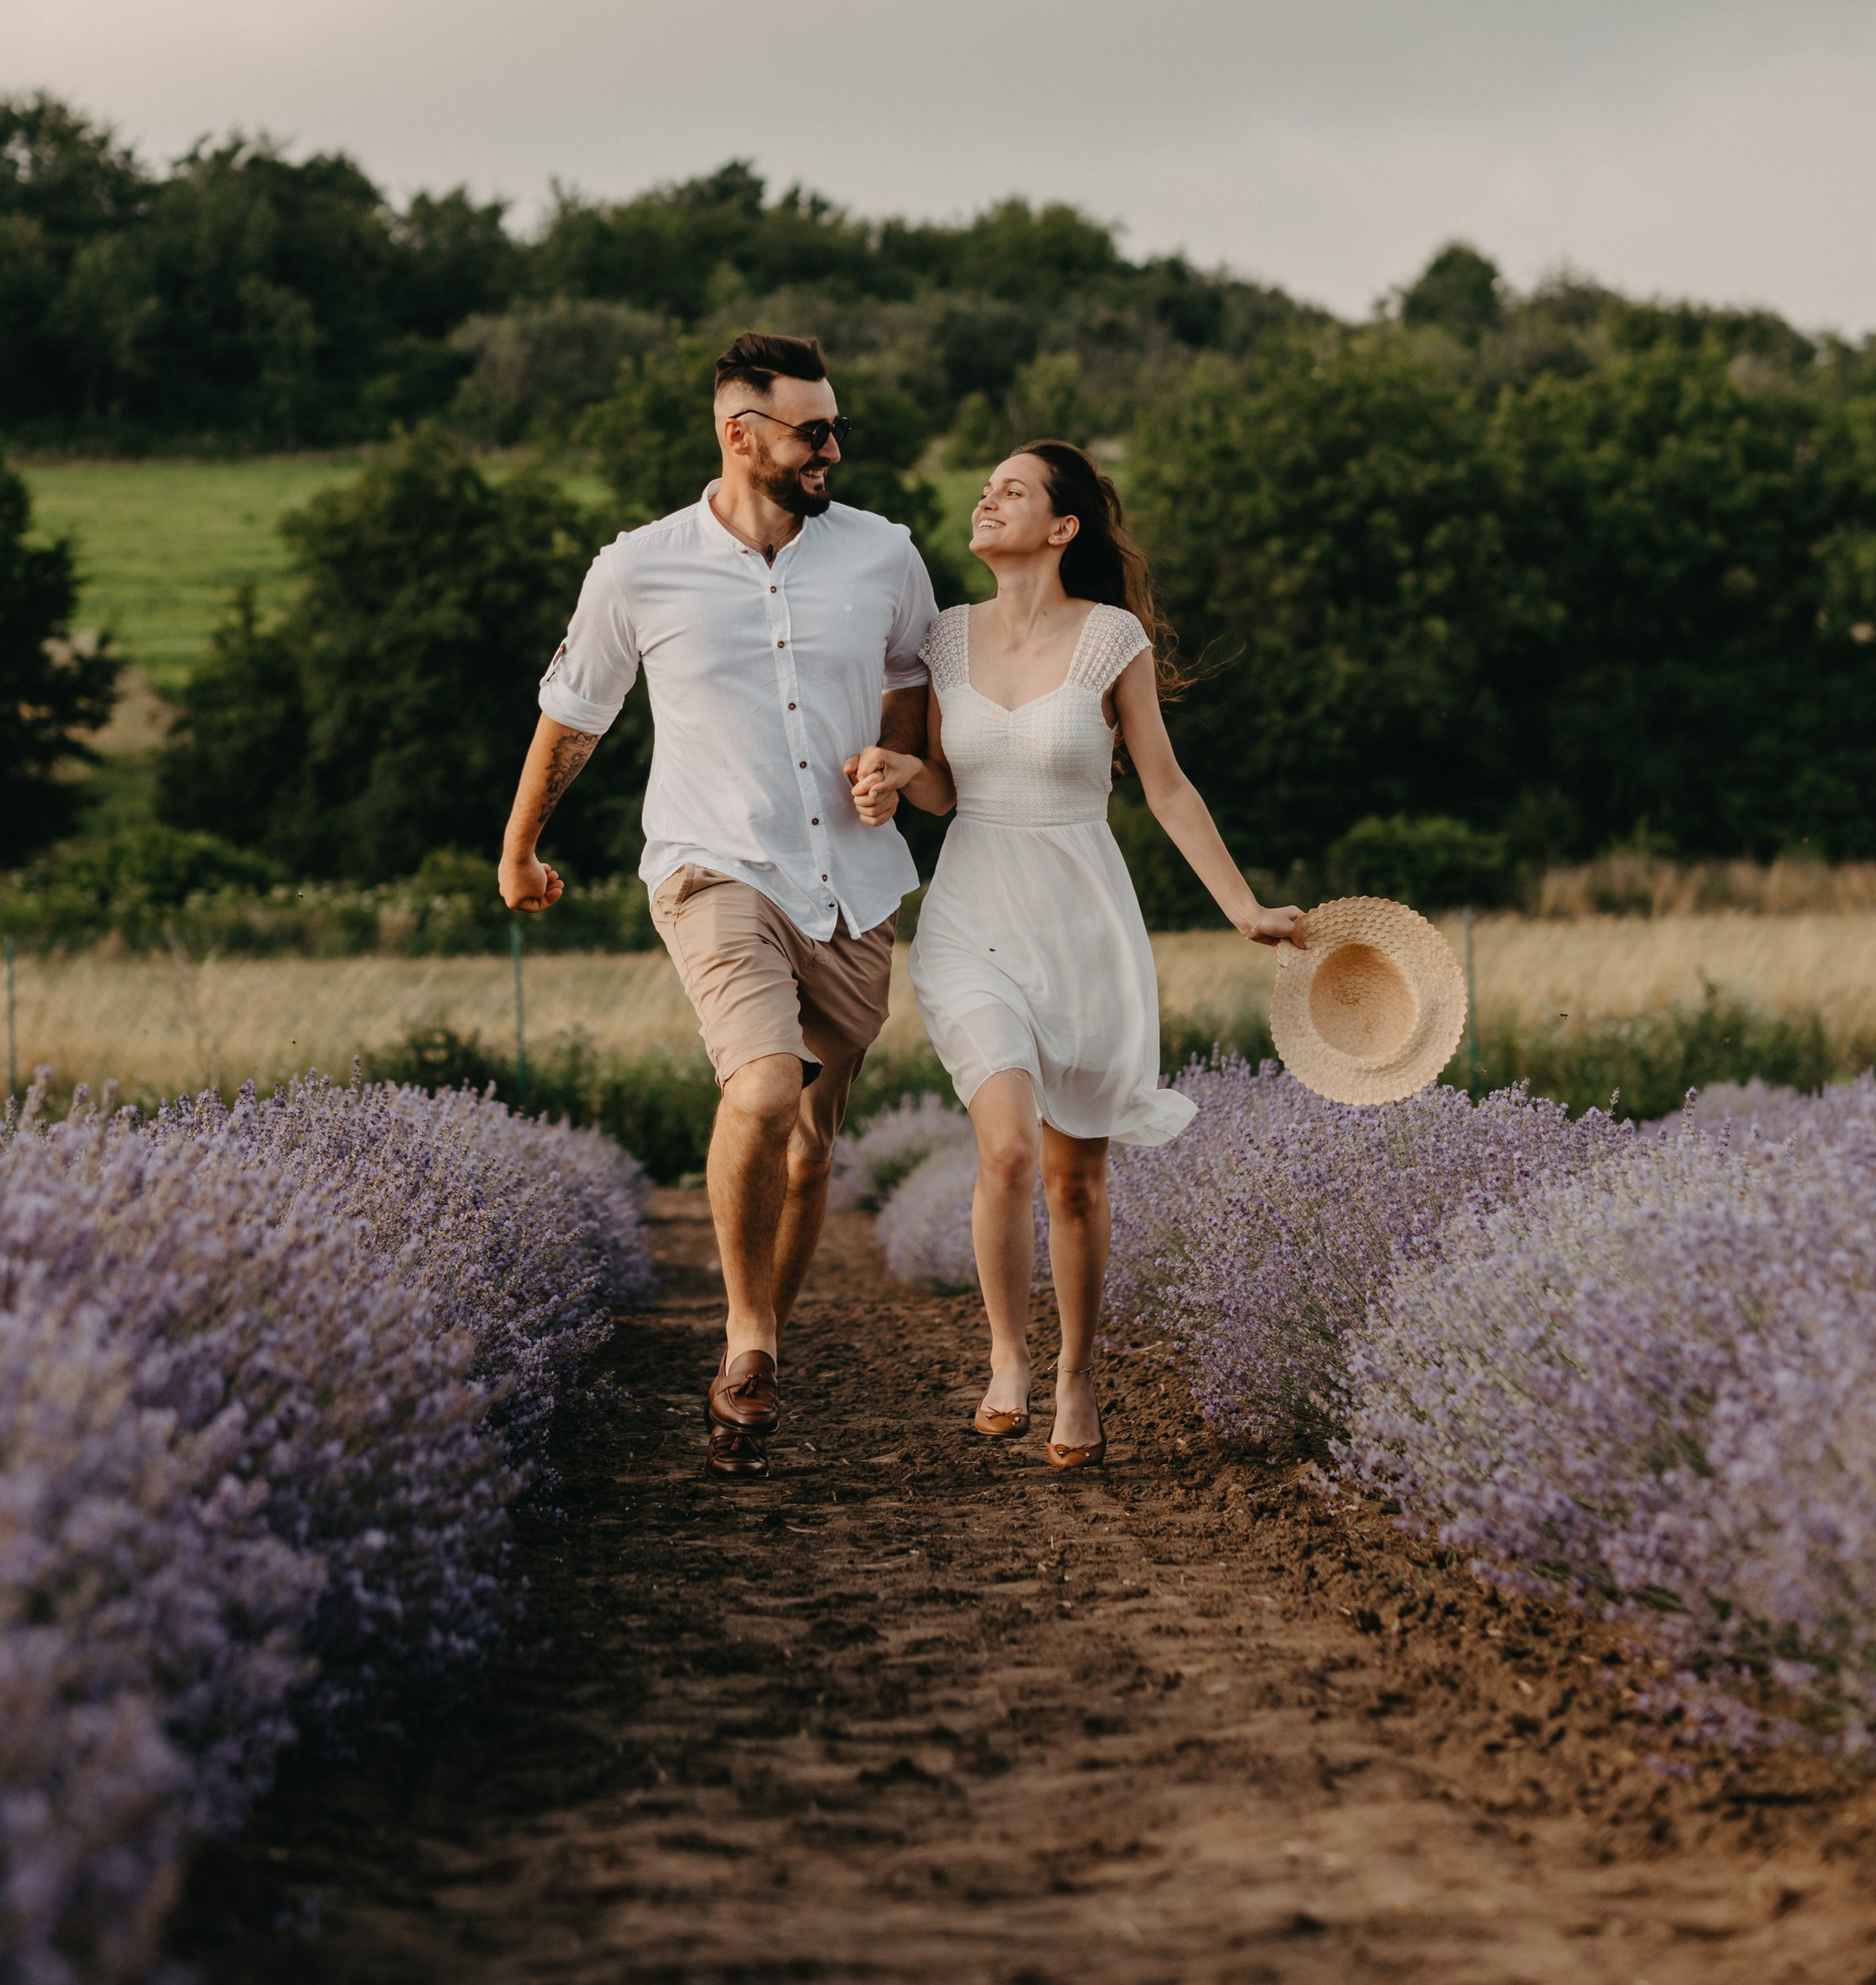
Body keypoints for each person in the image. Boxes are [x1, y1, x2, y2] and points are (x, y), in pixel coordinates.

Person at [498, 332, 936, 1476]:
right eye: (813, 431)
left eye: (837, 428)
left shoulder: (885, 554)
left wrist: (894, 764)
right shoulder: (638, 568)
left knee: (810, 1151)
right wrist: (519, 848)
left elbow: (909, 681)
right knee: (762, 1086)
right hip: (712, 867)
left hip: (854, 884)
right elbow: (574, 711)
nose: (832, 449)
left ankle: (756, 1370)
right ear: (740, 435)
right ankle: (746, 1336)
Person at [847, 441, 1303, 1469]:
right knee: (1007, 1149)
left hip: (1083, 920)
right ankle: (1008, 1355)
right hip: (972, 915)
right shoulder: (944, 637)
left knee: (1074, 1183)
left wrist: (1241, 908)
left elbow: (1165, 784)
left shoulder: (1110, 638)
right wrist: (897, 770)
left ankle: (1077, 1373)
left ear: (1062, 528)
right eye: (985, 488)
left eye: (1011, 491)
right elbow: (943, 789)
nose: (987, 499)